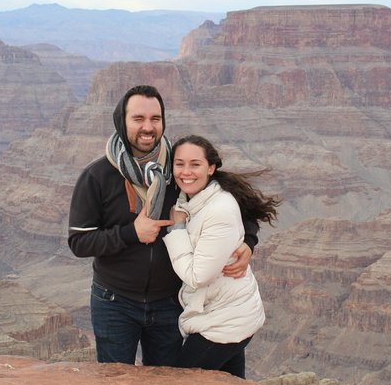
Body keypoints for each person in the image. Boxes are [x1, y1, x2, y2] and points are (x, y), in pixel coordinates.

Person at [67, 85, 259, 366]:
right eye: (138, 119)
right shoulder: (98, 176)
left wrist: (249, 242)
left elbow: (235, 204)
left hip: (169, 303)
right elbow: (79, 242)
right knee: (114, 379)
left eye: (155, 119)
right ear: (122, 121)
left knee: (166, 378)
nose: (148, 127)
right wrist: (132, 233)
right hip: (114, 302)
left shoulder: (180, 168)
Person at [163, 134, 280, 378]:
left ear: (211, 168)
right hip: (231, 315)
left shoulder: (219, 209)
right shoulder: (191, 197)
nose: (186, 171)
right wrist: (249, 239)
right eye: (179, 163)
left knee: (180, 380)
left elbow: (198, 276)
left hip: (223, 323)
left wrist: (176, 229)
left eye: (195, 164)